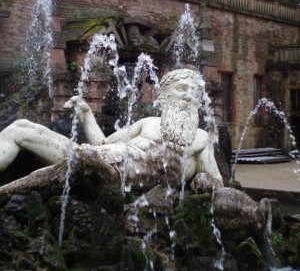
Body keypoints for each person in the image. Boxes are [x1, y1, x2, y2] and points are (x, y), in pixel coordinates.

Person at [0, 68, 222, 190]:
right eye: (182, 88)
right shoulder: (148, 122)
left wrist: (203, 182)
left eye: (194, 92)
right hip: (96, 156)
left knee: (77, 163)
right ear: (163, 96)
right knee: (21, 128)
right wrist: (87, 115)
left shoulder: (201, 139)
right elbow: (103, 144)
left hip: (112, 174)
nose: (189, 95)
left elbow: (216, 181)